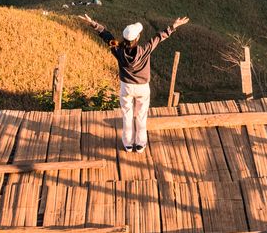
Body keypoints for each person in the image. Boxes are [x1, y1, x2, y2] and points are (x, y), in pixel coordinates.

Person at [79, 13, 189, 152]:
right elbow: (159, 37)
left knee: (127, 115)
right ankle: (140, 144)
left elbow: (106, 36)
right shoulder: (144, 50)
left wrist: (93, 23)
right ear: (137, 38)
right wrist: (174, 26)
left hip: (126, 87)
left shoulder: (117, 50)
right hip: (142, 88)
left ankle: (128, 144)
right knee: (141, 116)